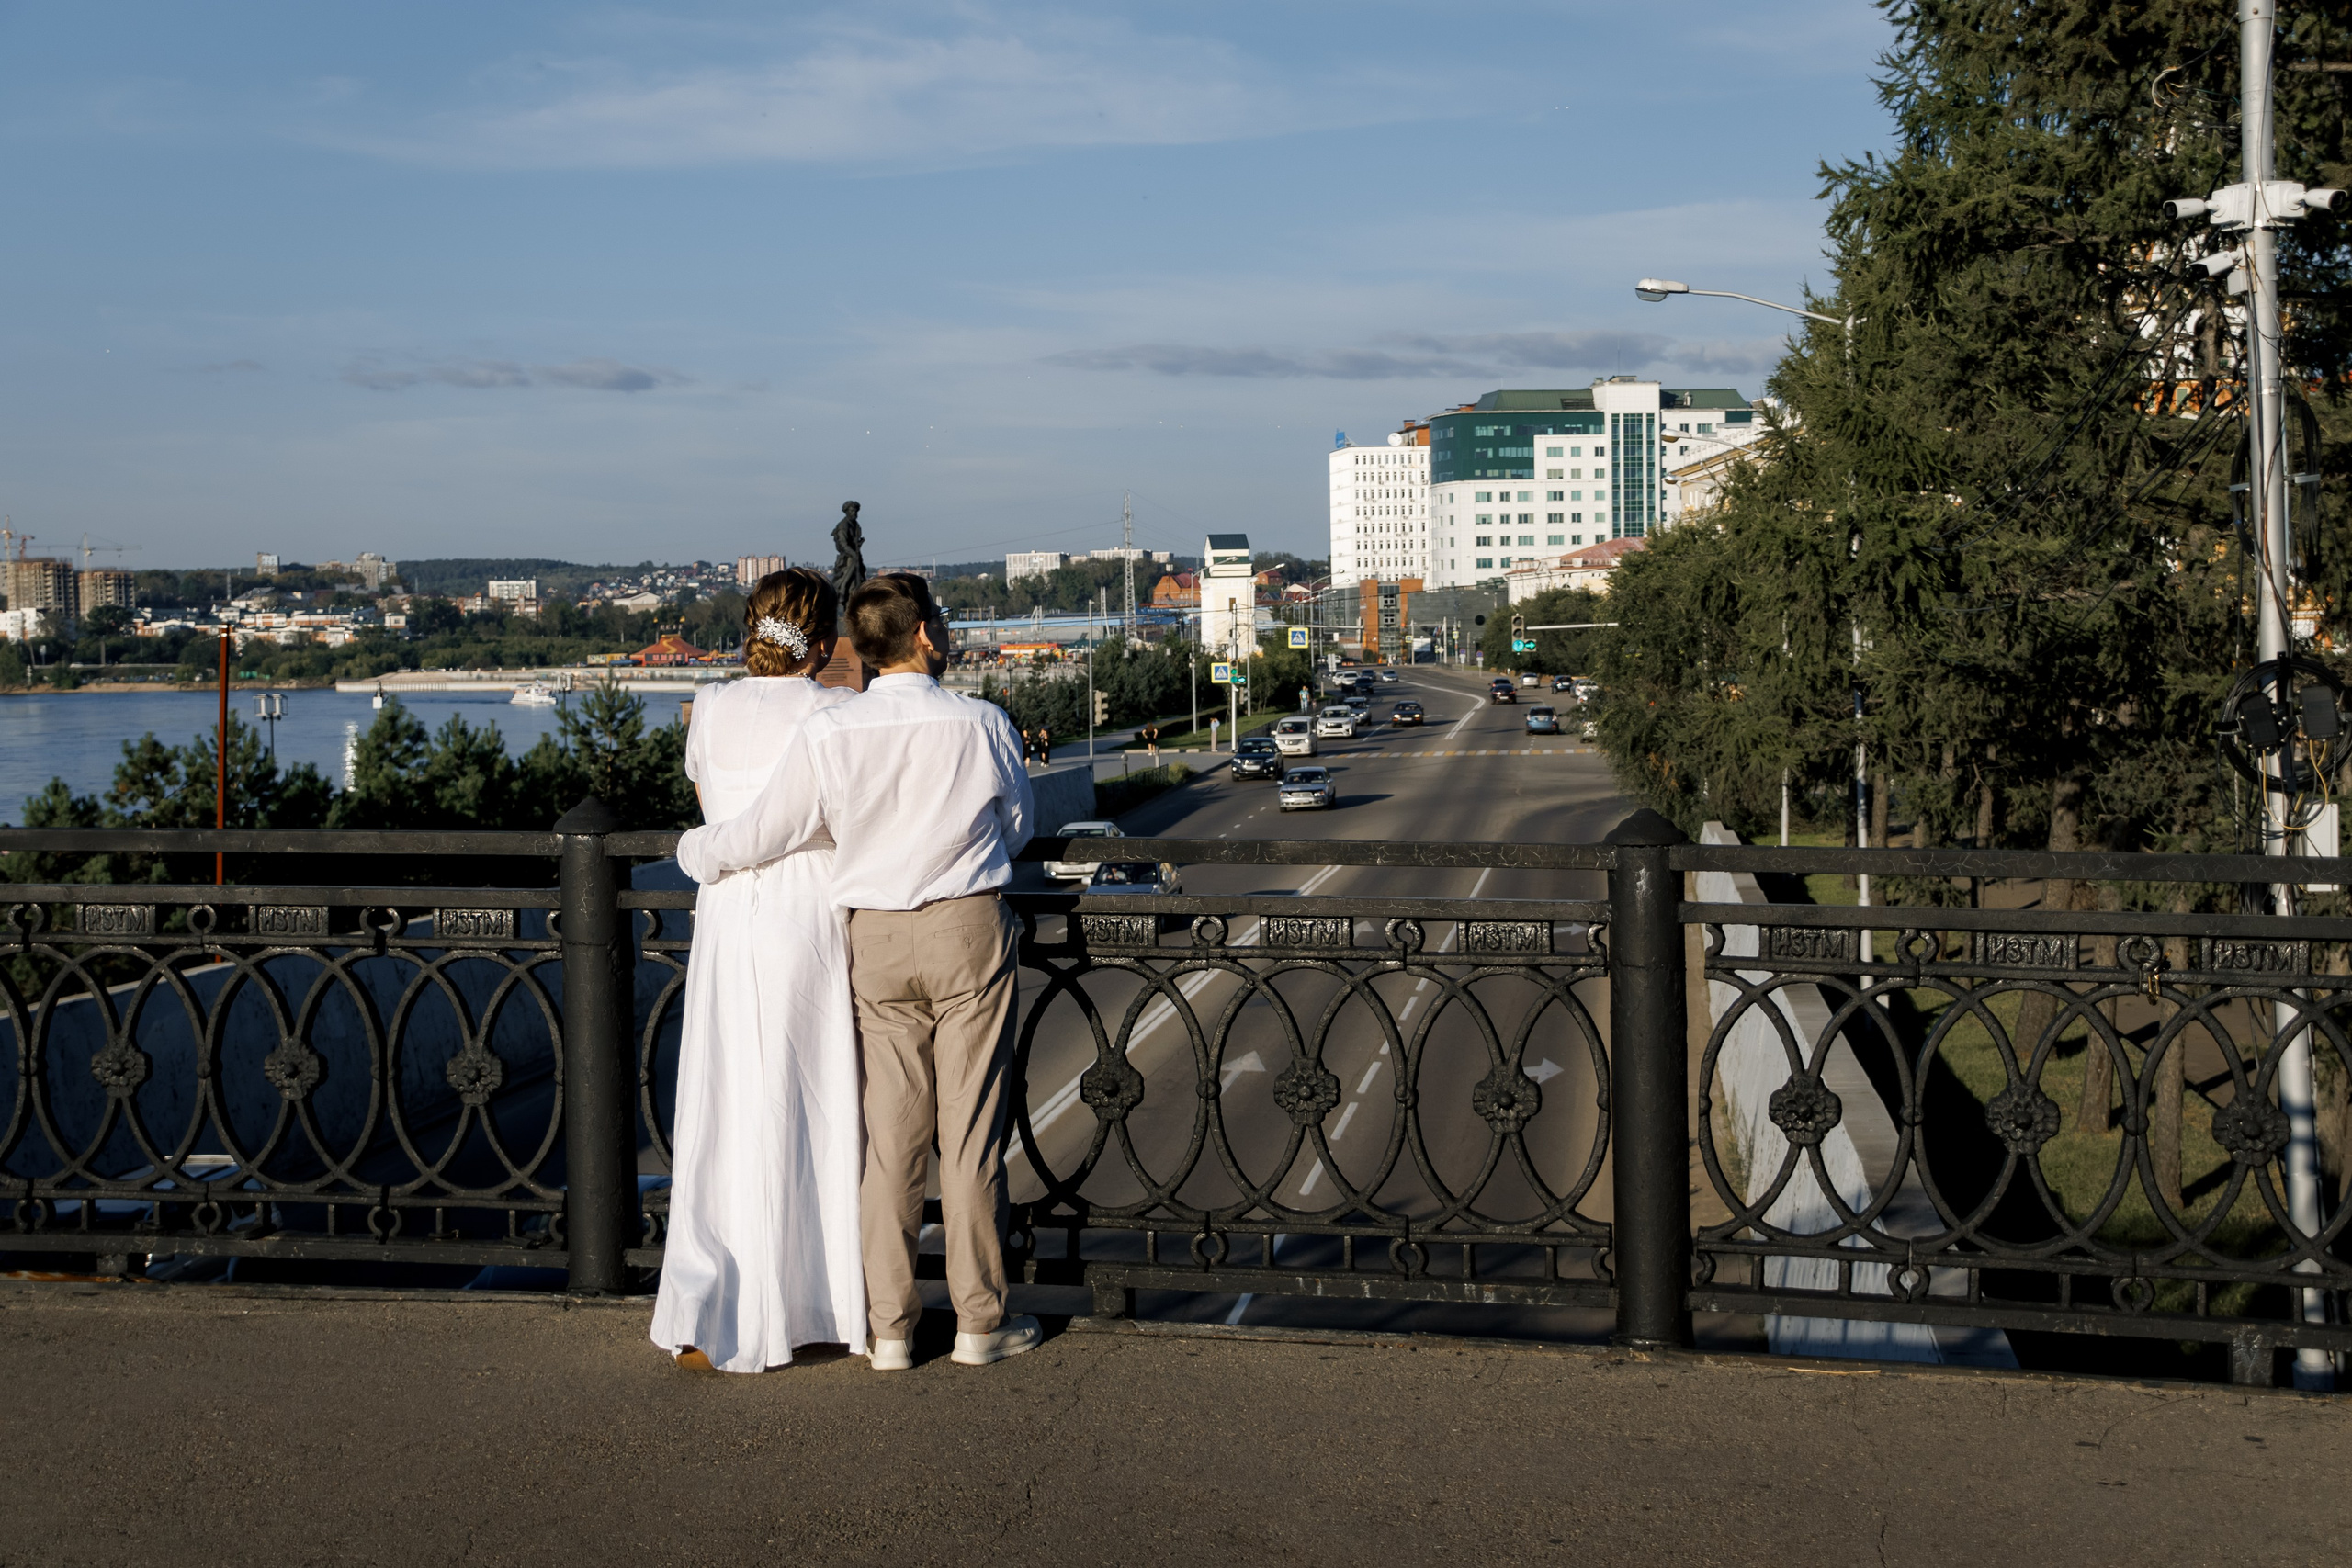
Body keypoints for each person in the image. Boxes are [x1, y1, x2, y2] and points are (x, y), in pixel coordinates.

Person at [677, 572, 1040, 1373]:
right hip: (965, 927)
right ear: (923, 635)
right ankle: (979, 1324)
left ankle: (890, 1331)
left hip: (873, 938)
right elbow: (1018, 826)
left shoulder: (834, 730)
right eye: (938, 620)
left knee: (892, 1141)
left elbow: (779, 824)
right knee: (970, 1138)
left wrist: (695, 851)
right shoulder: (980, 722)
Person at [650, 567, 865, 1374]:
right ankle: (816, 1302)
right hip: (803, 911)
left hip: (727, 914)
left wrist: (701, 853)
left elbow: (711, 801)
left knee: (726, 1101)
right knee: (806, 1099)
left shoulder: (709, 706)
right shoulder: (834, 710)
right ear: (820, 640)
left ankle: (716, 1305)